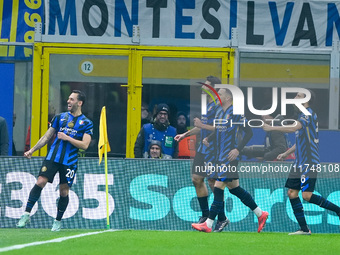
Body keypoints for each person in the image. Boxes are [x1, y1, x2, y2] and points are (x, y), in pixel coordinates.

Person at [192, 87, 269, 233]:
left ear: (228, 98)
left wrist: (237, 149)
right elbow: (219, 129)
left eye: (219, 94)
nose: (217, 97)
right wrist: (208, 138)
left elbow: (249, 132)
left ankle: (208, 224)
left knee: (218, 186)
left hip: (230, 157)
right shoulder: (220, 112)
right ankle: (260, 214)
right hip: (220, 157)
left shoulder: (236, 112)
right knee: (235, 189)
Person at [263, 90, 340, 235]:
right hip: (299, 162)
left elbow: (293, 128)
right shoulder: (301, 116)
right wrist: (286, 153)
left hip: (309, 161)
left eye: (298, 96)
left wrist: (272, 127)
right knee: (292, 193)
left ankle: (338, 210)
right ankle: (304, 229)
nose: (295, 97)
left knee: (307, 195)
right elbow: (299, 141)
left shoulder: (307, 114)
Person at [16, 90, 93, 231]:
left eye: (72, 99)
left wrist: (67, 138)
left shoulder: (86, 123)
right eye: (68, 99)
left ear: (79, 103)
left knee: (63, 192)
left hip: (70, 161)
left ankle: (57, 221)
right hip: (53, 157)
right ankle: (26, 214)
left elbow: (85, 145)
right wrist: (32, 150)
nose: (68, 101)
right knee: (40, 181)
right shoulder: (60, 117)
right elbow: (46, 137)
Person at [175, 76, 230, 232]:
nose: (203, 87)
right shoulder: (210, 105)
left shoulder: (221, 107)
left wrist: (203, 127)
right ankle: (205, 215)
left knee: (214, 183)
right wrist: (185, 134)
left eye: (206, 85)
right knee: (196, 179)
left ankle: (222, 218)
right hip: (203, 148)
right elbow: (202, 127)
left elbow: (220, 128)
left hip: (214, 148)